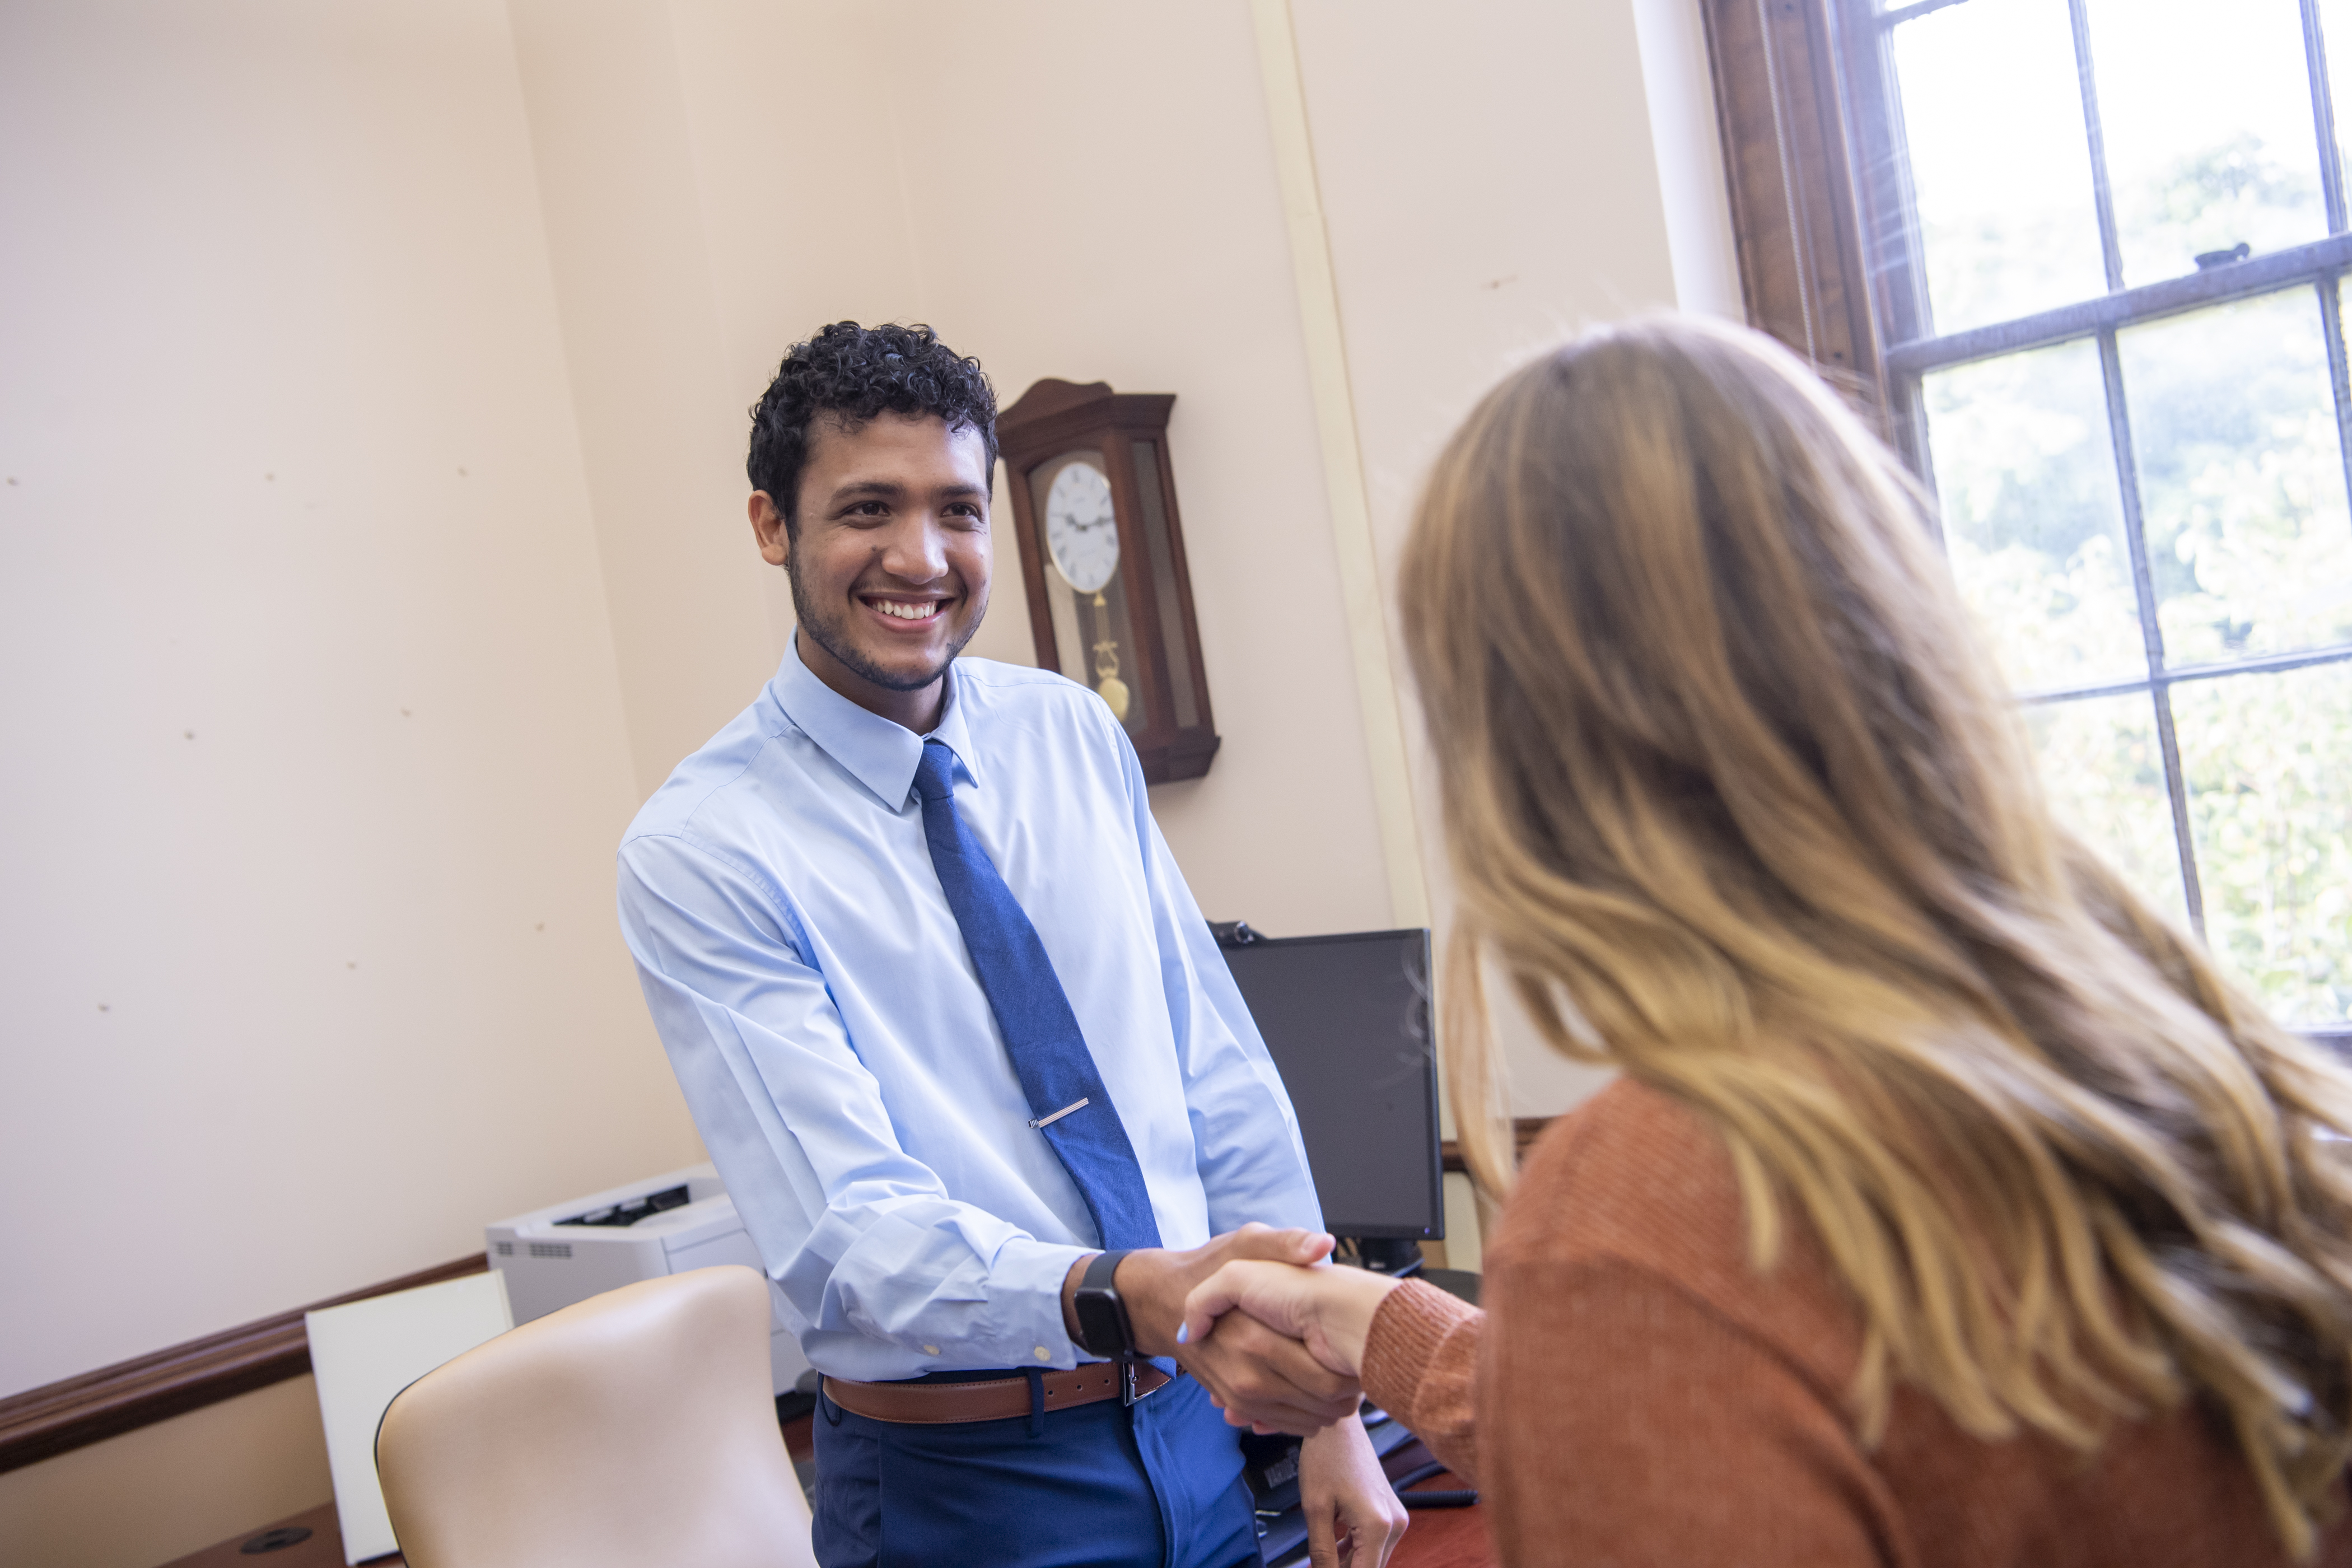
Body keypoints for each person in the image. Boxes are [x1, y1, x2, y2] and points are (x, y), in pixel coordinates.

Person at [1173, 316, 2352, 1566]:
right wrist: (1384, 1322)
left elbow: (1702, 1353)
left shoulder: (1653, 1201)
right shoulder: (2161, 1031)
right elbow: (1758, 1405)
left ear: (1524, 746)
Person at [617, 321, 1407, 1568]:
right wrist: (1129, 1293)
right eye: (868, 507)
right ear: (773, 525)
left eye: (958, 509)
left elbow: (1215, 1070)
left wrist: (1329, 1406)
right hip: (963, 1483)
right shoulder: (706, 847)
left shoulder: (1071, 734)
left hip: (1197, 1431)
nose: (921, 557)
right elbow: (853, 1243)